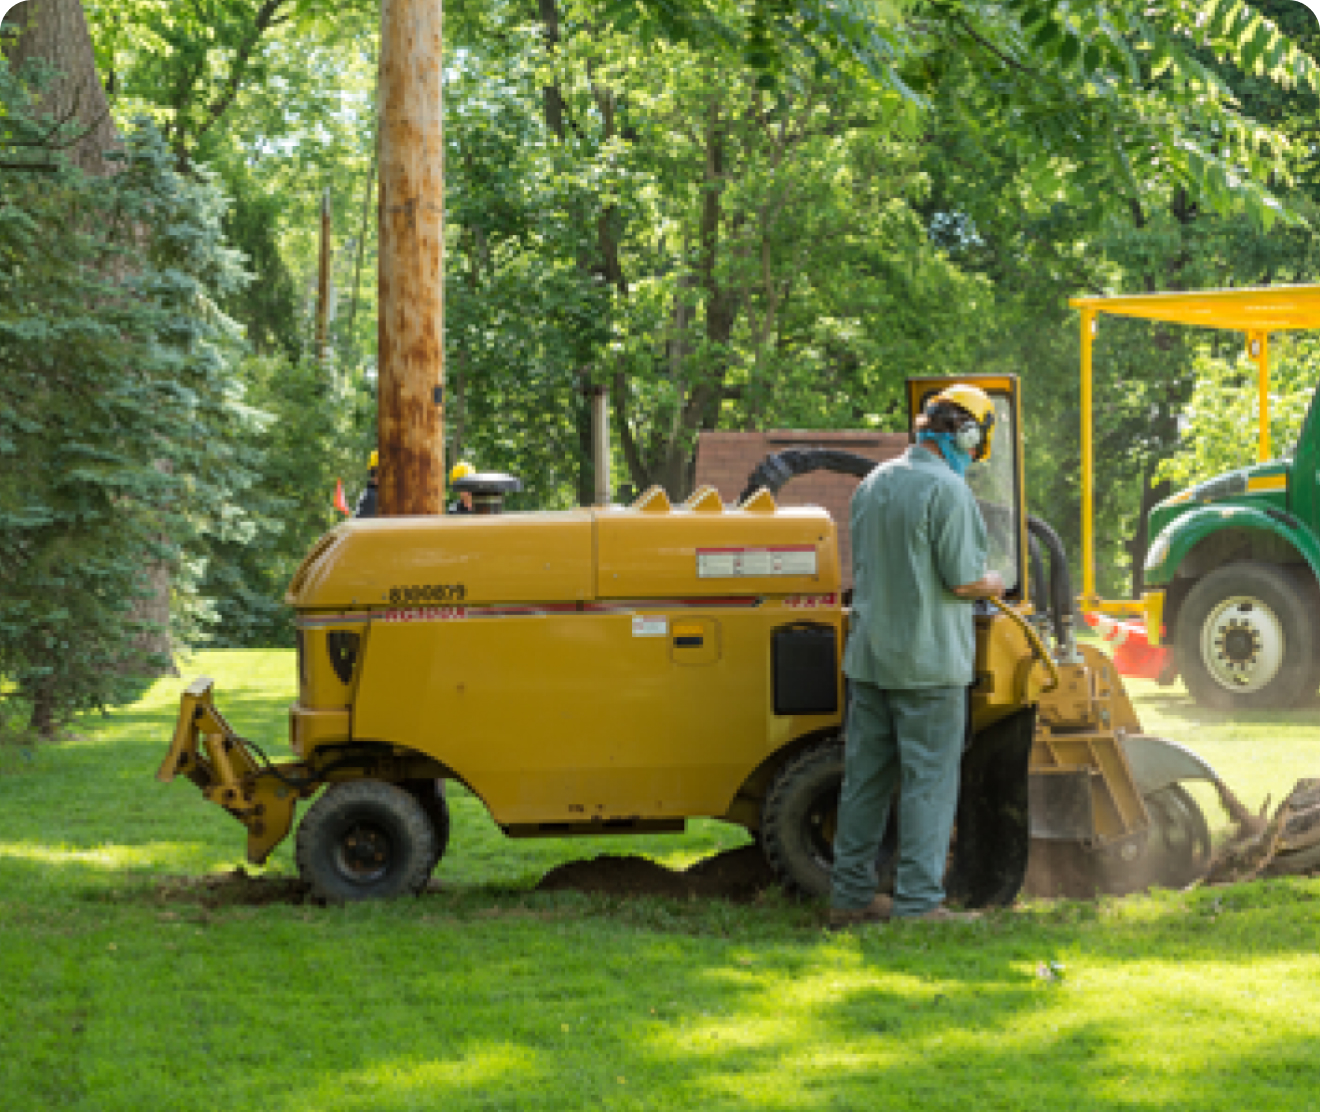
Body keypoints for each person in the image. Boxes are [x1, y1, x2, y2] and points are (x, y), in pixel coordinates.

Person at [828, 383, 1006, 929]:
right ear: (966, 434)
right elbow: (963, 580)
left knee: (865, 781)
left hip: (870, 660)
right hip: (928, 664)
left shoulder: (873, 484)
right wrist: (994, 581)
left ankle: (849, 898)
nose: (974, 462)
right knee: (929, 782)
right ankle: (918, 905)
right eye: (976, 449)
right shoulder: (948, 492)